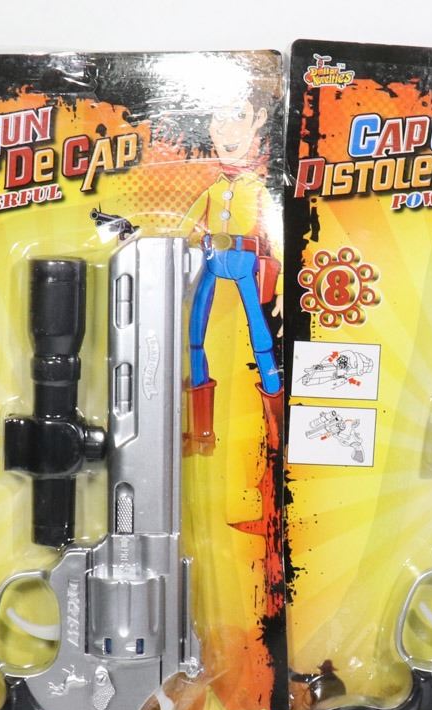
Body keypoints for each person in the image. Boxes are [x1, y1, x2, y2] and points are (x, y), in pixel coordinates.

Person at [179, 90, 282, 456]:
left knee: (262, 341)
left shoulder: (258, 191)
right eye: (218, 119)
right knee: (194, 339)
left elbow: (276, 241)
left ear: (258, 121)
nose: (226, 130)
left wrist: (282, 288)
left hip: (245, 267)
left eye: (238, 115)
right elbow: (183, 230)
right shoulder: (212, 191)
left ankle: (276, 434)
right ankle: (201, 433)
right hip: (210, 265)